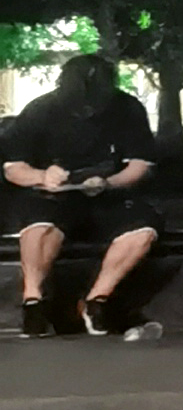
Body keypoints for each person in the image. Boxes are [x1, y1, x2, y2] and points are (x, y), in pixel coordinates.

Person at [6, 56, 163, 338]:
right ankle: (33, 303)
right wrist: (43, 176)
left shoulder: (127, 108)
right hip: (52, 197)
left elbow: (141, 165)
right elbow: (13, 168)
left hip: (108, 196)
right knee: (39, 228)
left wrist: (108, 182)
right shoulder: (40, 110)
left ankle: (96, 301)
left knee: (143, 229)